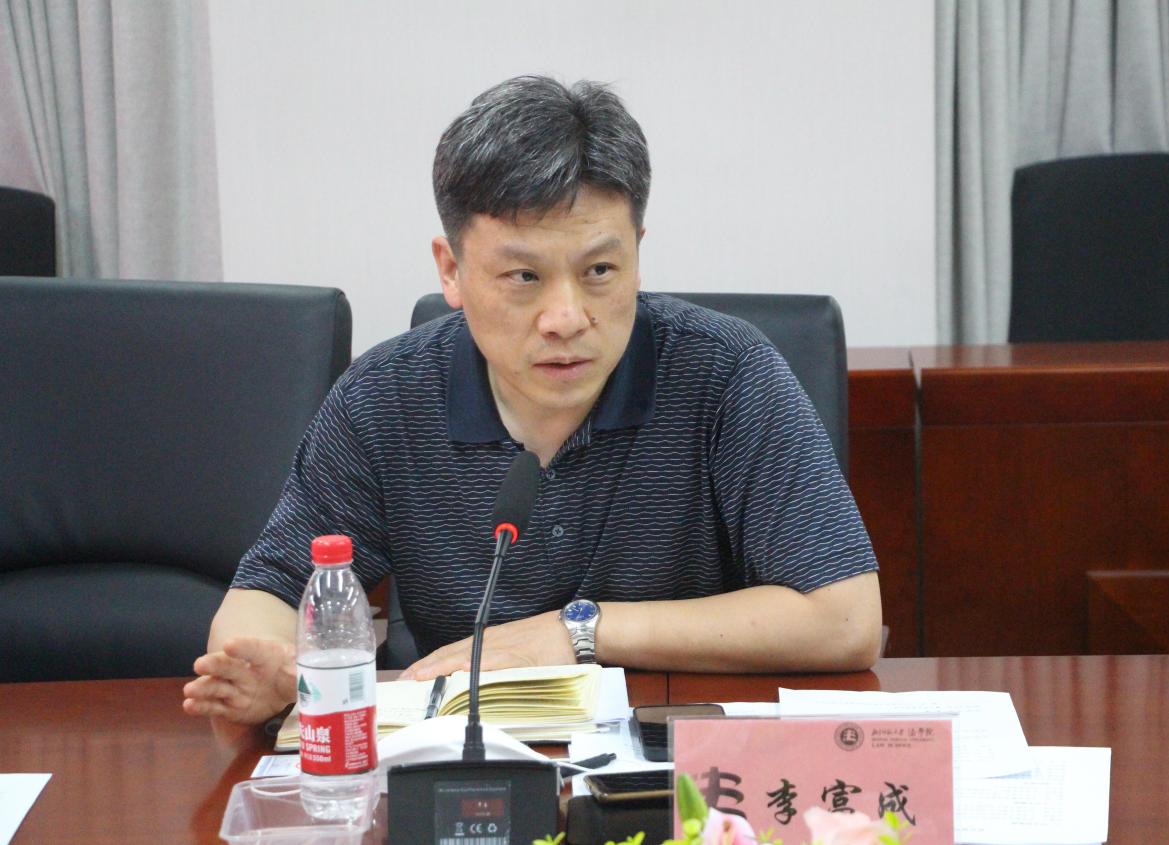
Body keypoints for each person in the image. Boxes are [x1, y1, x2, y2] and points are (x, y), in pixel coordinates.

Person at [183, 75, 881, 730]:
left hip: (669, 755)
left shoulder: (725, 373)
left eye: (600, 270)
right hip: (458, 756)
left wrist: (578, 630)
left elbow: (846, 619)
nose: (565, 318)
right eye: (523, 276)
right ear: (451, 270)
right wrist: (275, 667)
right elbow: (266, 597)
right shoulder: (385, 399)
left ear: (637, 253)